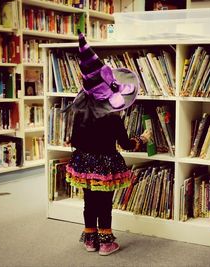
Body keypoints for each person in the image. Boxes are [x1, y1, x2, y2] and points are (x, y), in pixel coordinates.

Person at [64, 32, 151, 256]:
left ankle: (90, 239)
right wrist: (142, 139)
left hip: (83, 162)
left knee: (89, 202)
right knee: (105, 203)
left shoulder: (79, 111)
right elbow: (125, 144)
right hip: (105, 164)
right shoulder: (112, 116)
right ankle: (105, 242)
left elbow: (74, 141)